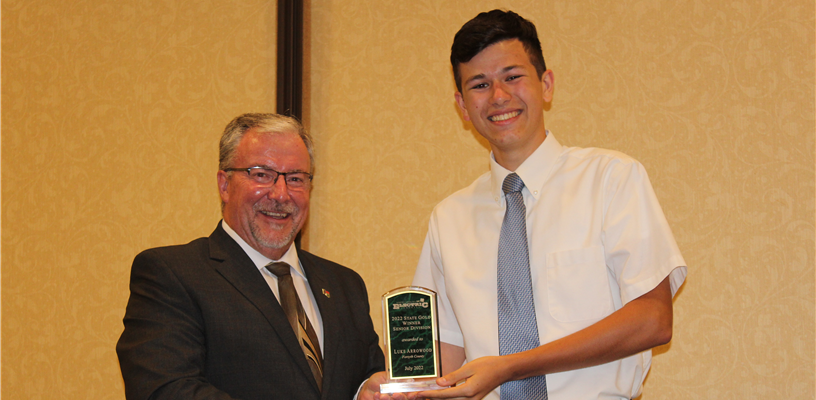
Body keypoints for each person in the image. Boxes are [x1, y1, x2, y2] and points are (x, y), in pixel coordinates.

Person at [408, 10, 688, 400]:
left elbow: (653, 319)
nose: (498, 96)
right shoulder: (448, 219)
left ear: (546, 85)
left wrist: (512, 366)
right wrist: (390, 385)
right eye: (480, 84)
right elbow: (443, 360)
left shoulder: (611, 178)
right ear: (463, 106)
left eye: (512, 77)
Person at [116, 113, 385, 400]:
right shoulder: (171, 273)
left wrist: (365, 393)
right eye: (261, 175)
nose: (281, 194)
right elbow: (164, 390)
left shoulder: (345, 284)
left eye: (295, 178)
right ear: (224, 185)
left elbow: (363, 379)